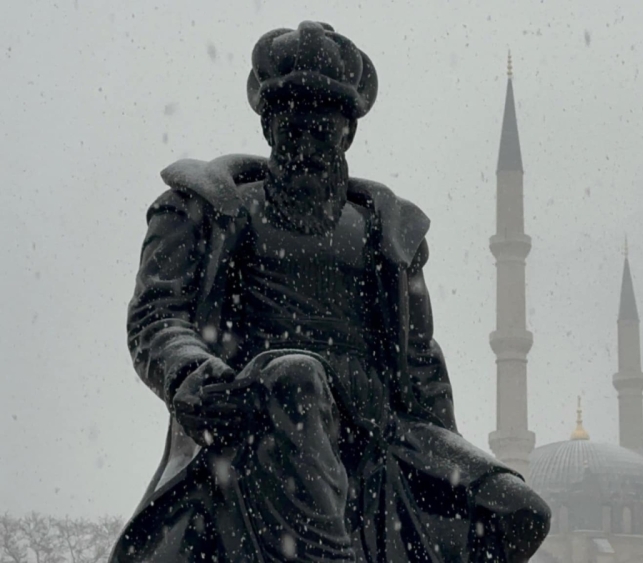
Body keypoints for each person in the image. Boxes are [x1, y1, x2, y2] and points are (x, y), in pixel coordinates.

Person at [110, 20, 550, 563]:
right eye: (294, 128)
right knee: (297, 377)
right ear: (270, 129)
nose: (308, 146)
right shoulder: (208, 207)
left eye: (324, 130)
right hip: (259, 402)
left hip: (374, 420)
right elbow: (157, 316)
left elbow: (419, 361)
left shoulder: (385, 235)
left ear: (347, 135)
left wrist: (446, 454)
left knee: (518, 509)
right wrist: (190, 374)